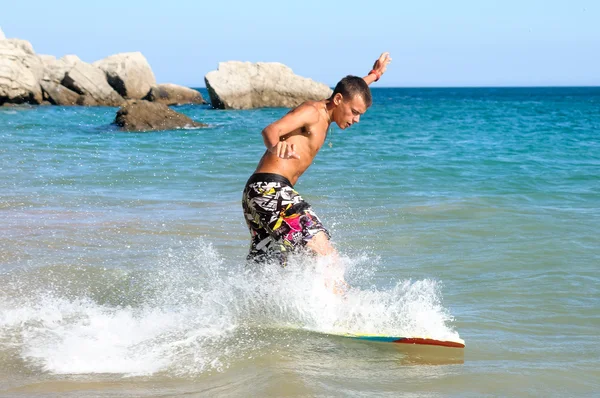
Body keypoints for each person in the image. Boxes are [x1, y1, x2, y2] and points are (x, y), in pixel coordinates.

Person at [242, 52, 392, 266]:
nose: (356, 120)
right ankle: (342, 299)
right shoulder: (313, 112)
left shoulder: (335, 106)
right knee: (327, 256)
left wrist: (374, 75)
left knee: (272, 268)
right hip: (271, 190)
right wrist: (276, 146)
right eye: (354, 112)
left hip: (257, 194)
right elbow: (270, 130)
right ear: (338, 100)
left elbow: (351, 91)